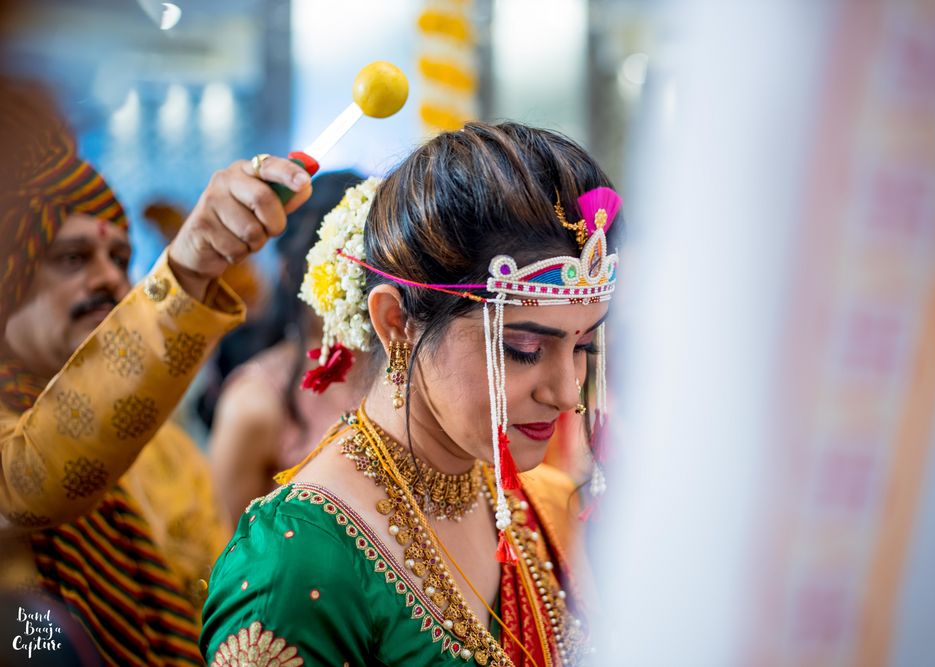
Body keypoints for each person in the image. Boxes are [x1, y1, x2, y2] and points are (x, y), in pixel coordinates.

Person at [200, 122, 619, 666]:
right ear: (397, 322)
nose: (567, 393)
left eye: (584, 345)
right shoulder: (294, 562)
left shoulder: (533, 500)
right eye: (521, 347)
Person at [0, 79, 313, 665]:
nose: (109, 281)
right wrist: (190, 269)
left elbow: (223, 604)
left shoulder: (162, 450)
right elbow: (32, 479)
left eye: (120, 259)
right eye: (72, 258)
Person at [208, 170, 373, 524]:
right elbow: (228, 553)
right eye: (341, 268)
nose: (359, 285)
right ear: (291, 273)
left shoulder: (401, 370)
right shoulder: (255, 402)